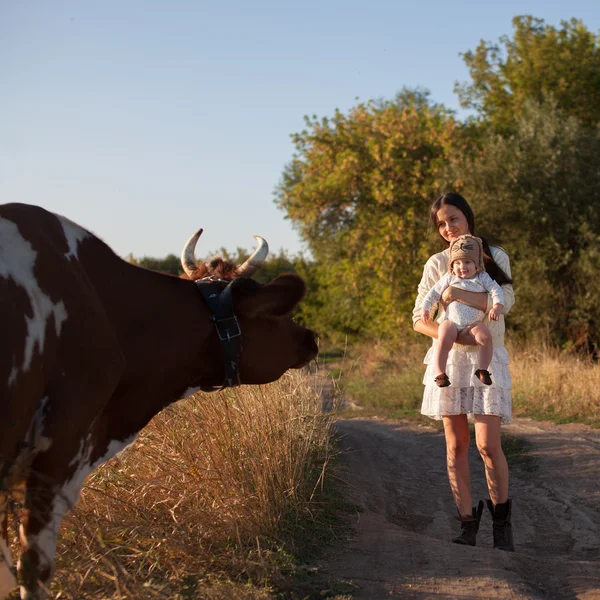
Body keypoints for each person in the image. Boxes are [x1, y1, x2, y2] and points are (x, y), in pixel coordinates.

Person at [413, 193, 515, 551]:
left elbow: (504, 303)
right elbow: (419, 319)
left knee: (488, 445)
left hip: (487, 357)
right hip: (451, 358)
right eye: (441, 223)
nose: (448, 228)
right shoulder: (436, 263)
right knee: (456, 445)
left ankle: (502, 525)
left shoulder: (493, 255)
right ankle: (467, 523)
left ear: (467, 217)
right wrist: (448, 331)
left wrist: (456, 292)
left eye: (453, 219)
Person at [420, 234, 504, 388]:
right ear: (452, 265)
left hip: (473, 325)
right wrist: (425, 307)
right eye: (457, 263)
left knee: (485, 337)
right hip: (452, 323)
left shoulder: (481, 277)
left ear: (477, 264)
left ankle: (483, 370)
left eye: (467, 262)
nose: (462, 266)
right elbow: (433, 292)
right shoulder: (449, 277)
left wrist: (497, 305)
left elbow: (496, 289)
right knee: (443, 336)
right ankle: (440, 373)